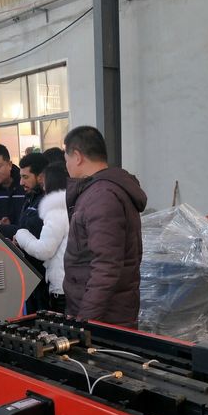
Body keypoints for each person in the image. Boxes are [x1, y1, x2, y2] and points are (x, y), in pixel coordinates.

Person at [63, 126, 147, 328]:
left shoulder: (102, 196)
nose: (66, 166)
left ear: (77, 157)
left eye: (66, 160)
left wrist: (86, 321)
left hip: (106, 317)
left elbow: (106, 266)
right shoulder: (98, 191)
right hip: (102, 310)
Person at [15, 163, 68, 313]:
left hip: (62, 286)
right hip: (73, 283)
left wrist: (21, 234)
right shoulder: (73, 205)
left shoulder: (56, 210)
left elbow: (44, 250)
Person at [0, 153, 48, 240]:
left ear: (40, 177)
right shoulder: (30, 197)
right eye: (20, 177)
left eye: (25, 177)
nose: (21, 182)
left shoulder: (48, 202)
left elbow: (32, 233)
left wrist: (0, 229)